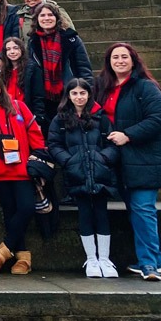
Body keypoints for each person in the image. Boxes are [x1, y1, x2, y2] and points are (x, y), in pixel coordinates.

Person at [94, 43, 161, 282]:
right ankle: (155, 261)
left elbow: (159, 118)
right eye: (115, 57)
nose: (119, 61)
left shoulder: (145, 86)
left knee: (142, 209)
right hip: (122, 159)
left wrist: (128, 135)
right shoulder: (105, 87)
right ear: (109, 62)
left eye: (124, 57)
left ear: (133, 60)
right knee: (137, 210)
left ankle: (149, 264)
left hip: (146, 157)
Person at [0, 71, 45, 276]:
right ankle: (23, 258)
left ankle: (3, 249)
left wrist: (38, 155)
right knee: (10, 212)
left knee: (26, 208)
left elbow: (35, 133)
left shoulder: (18, 105)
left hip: (21, 170)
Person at [46, 78, 120, 278]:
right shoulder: (60, 119)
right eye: (74, 93)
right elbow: (54, 144)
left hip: (99, 173)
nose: (79, 97)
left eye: (82, 93)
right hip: (76, 173)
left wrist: (104, 158)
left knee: (102, 214)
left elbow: (112, 143)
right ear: (68, 96)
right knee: (85, 214)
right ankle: (92, 259)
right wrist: (69, 161)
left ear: (89, 94)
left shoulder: (101, 117)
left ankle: (104, 258)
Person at [23, 0, 92, 126]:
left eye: (50, 15)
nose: (46, 18)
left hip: (69, 94)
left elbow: (84, 68)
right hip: (44, 98)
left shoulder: (71, 39)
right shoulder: (33, 42)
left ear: (57, 18)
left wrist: (88, 93)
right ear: (37, 19)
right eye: (42, 15)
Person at [0, 37, 27, 102]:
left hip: (25, 108)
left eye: (15, 48)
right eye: (8, 49)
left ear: (22, 50)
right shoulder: (3, 71)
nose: (12, 52)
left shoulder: (31, 69)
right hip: (9, 108)